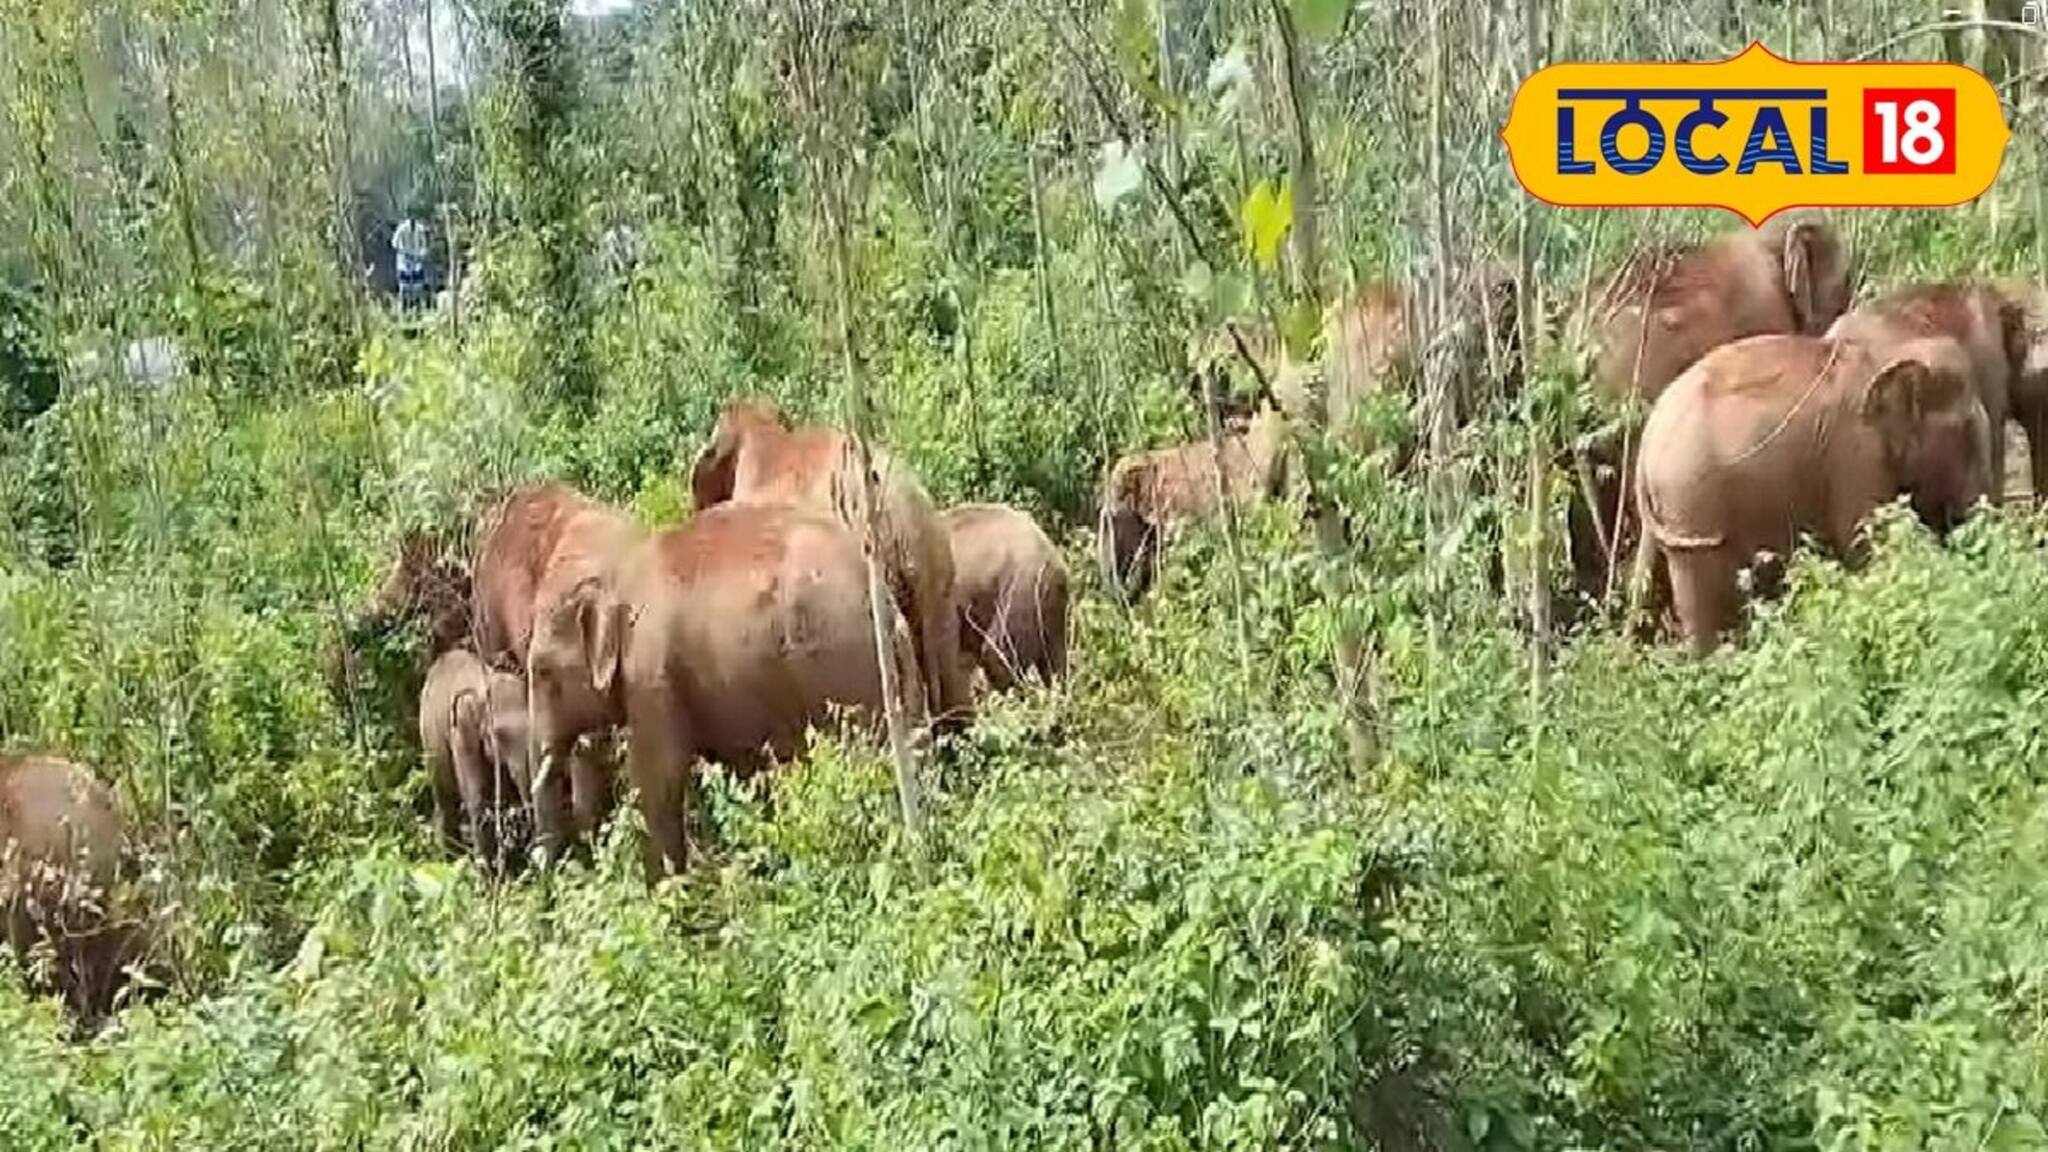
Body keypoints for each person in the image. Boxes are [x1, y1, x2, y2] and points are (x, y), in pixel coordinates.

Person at [393, 216, 429, 311]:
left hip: (417, 259)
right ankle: (402, 307)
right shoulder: (401, 228)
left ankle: (417, 306)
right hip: (404, 259)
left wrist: (421, 254)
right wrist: (402, 251)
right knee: (404, 285)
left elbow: (424, 244)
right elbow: (394, 243)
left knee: (418, 284)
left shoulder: (420, 229)